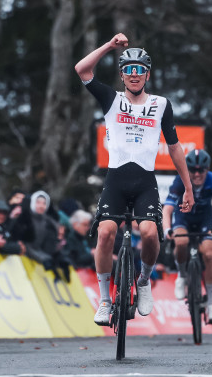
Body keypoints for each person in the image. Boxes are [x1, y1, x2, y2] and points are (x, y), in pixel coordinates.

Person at [75, 33, 194, 325]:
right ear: (122, 75)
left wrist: (188, 187)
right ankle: (105, 300)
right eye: (128, 69)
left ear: (147, 74)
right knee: (104, 234)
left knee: (151, 234)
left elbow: (176, 147)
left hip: (144, 182)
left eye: (139, 69)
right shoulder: (110, 99)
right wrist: (110, 46)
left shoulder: (161, 105)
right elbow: (82, 70)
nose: (134, 74)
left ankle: (143, 280)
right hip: (116, 180)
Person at [162, 149, 212, 324]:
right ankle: (182, 275)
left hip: (204, 219)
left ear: (207, 169)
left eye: (201, 170)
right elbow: (167, 209)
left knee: (209, 253)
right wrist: (167, 229)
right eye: (192, 170)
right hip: (183, 217)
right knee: (181, 241)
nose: (197, 174)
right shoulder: (179, 180)